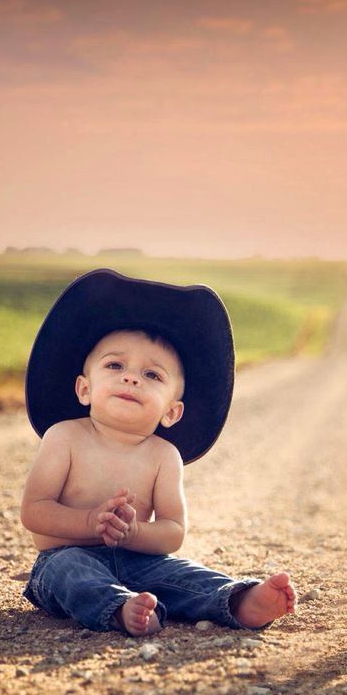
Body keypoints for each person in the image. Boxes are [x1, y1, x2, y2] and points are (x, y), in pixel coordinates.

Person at [21, 269, 296, 636]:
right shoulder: (64, 437)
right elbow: (34, 512)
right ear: (84, 389)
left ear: (171, 411)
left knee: (181, 574)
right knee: (69, 573)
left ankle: (239, 601)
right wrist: (89, 524)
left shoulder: (163, 456)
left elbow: (172, 532)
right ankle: (118, 607)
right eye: (115, 365)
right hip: (66, 554)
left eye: (152, 375)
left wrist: (132, 532)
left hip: (141, 562)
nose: (131, 377)